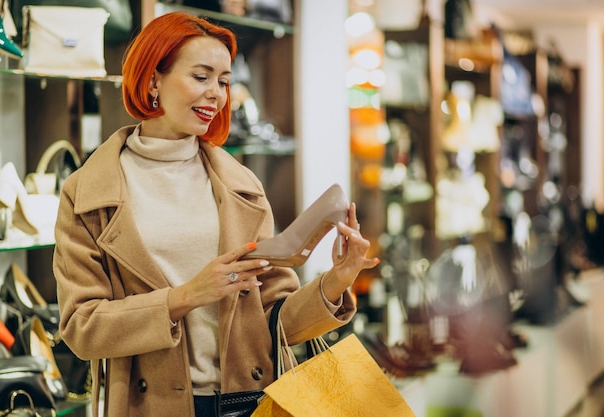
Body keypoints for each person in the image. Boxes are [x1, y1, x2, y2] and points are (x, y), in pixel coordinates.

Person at [52, 11, 379, 417]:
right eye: (201, 77)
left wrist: (336, 281)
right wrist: (185, 297)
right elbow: (82, 328)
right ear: (154, 79)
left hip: (250, 403)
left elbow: (275, 323)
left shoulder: (240, 186)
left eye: (224, 81)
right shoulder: (88, 193)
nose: (218, 94)